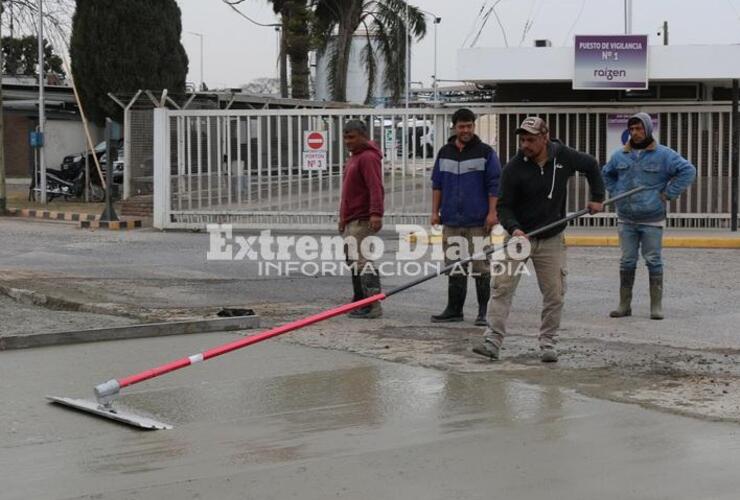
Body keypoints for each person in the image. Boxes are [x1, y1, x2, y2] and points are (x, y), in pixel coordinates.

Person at [472, 117, 605, 363]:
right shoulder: (514, 168)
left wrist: (597, 196)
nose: (525, 144)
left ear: (545, 137)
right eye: (522, 140)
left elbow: (592, 165)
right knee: (501, 287)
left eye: (531, 140)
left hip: (552, 238)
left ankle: (547, 344)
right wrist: (515, 229)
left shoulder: (564, 157)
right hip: (519, 237)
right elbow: (504, 206)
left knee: (554, 293)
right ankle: (492, 341)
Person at [602, 112, 696, 320]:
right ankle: (624, 305)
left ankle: (656, 306)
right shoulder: (620, 155)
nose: (635, 133)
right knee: (627, 261)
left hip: (652, 218)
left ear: (648, 130)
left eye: (639, 129)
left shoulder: (664, 155)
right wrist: (615, 192)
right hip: (626, 218)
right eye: (632, 129)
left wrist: (669, 194)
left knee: (653, 260)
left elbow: (688, 171)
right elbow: (606, 173)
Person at [430, 108, 502, 326]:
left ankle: (483, 313)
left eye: (469, 126)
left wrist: (492, 213)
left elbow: (495, 185)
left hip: (478, 222)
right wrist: (435, 212)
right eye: (462, 126)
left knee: (481, 267)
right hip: (451, 222)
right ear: (455, 127)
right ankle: (454, 310)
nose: (466, 130)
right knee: (454, 266)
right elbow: (437, 184)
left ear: (473, 126)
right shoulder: (444, 153)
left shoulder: (486, 153)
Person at [338, 119, 385, 319]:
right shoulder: (354, 158)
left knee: (363, 261)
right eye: (345, 137)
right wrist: (342, 218)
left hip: (363, 219)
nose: (348, 141)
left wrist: (376, 213)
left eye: (352, 137)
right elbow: (347, 192)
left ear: (363, 136)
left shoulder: (367, 158)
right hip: (351, 219)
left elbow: (376, 188)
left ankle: (372, 305)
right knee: (353, 261)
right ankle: (359, 299)